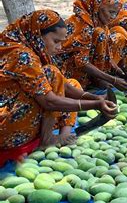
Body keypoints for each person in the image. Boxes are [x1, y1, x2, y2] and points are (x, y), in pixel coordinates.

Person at [0, 10, 117, 165]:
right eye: (56, 41)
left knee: (70, 83)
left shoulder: (31, 46)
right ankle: (46, 139)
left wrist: (95, 98)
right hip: (7, 131)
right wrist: (96, 104)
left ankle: (62, 134)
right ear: (38, 34)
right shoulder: (23, 55)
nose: (60, 47)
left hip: (20, 109)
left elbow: (65, 85)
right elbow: (50, 102)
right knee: (52, 74)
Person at [58, 0, 127, 91]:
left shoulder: (99, 23)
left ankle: (98, 78)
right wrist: (113, 80)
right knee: (100, 33)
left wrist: (119, 71)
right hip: (68, 70)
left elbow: (105, 53)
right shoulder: (82, 25)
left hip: (85, 64)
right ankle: (95, 80)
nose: (113, 17)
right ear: (97, 8)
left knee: (117, 34)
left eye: (115, 13)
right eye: (110, 12)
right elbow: (81, 62)